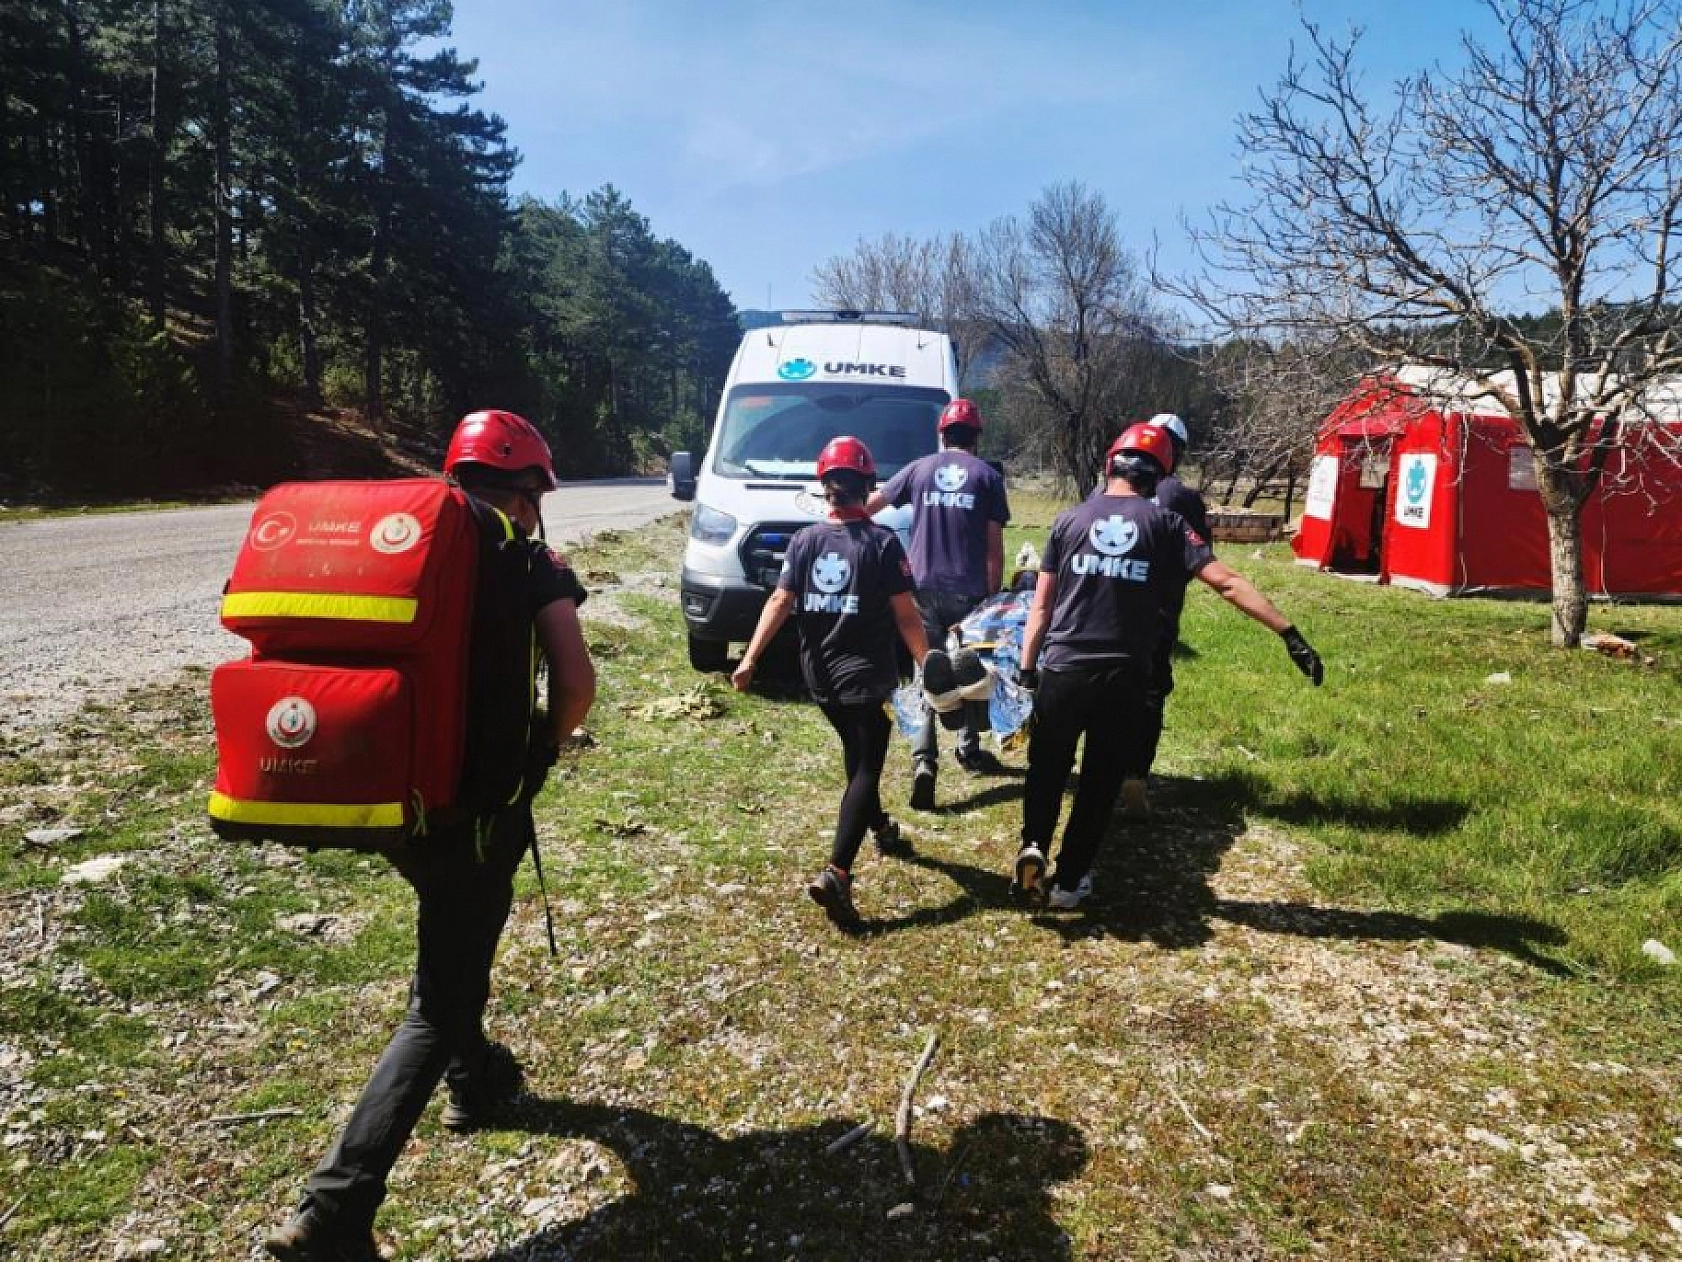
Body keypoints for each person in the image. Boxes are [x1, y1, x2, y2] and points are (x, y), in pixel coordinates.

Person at [265, 410, 597, 1262]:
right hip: (478, 811)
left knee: (451, 932)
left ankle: (473, 1076)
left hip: (395, 799)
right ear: (526, 494)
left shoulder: (409, 549)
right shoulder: (532, 562)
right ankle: (334, 1209)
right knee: (440, 998)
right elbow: (575, 682)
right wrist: (543, 748)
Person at [1013, 422, 1323, 910]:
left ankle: (1033, 843)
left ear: (1110, 465)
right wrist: (1288, 632)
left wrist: (1028, 668)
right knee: (1100, 780)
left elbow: (1041, 607)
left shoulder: (1068, 521)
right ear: (1158, 477)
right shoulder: (1169, 525)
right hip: (1124, 675)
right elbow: (1226, 583)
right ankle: (1070, 881)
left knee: (1048, 766)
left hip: (1064, 667)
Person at [733, 435, 929, 928]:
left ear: (826, 488)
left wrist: (750, 658)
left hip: (819, 679)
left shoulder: (805, 542)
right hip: (866, 677)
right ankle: (838, 871)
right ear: (868, 487)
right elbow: (906, 616)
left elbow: (779, 602)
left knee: (855, 751)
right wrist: (929, 664)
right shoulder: (883, 543)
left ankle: (879, 825)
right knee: (867, 765)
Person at [865, 397, 1010, 810]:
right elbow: (994, 546)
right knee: (970, 669)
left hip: (922, 588)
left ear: (942, 434)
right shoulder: (988, 477)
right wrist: (992, 596)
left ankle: (924, 762)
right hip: (969, 589)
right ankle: (968, 748)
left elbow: (871, 506)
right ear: (976, 436)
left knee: (926, 672)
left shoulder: (919, 469)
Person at [1129, 411, 1211, 816]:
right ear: (1175, 453)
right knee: (1149, 695)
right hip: (1159, 615)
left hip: (1105, 609)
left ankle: (1102, 771)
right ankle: (1135, 777)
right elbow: (1198, 560)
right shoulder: (1183, 498)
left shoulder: (1111, 488)